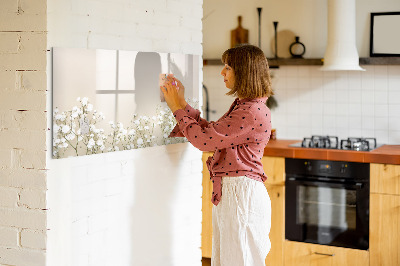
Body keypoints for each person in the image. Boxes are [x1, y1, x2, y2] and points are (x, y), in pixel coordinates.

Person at [161, 44, 273, 266]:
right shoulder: (246, 106)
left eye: (228, 67)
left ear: (244, 72)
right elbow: (212, 133)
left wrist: (176, 108)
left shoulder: (250, 111)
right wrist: (182, 103)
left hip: (241, 195)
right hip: (236, 193)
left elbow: (204, 141)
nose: (222, 72)